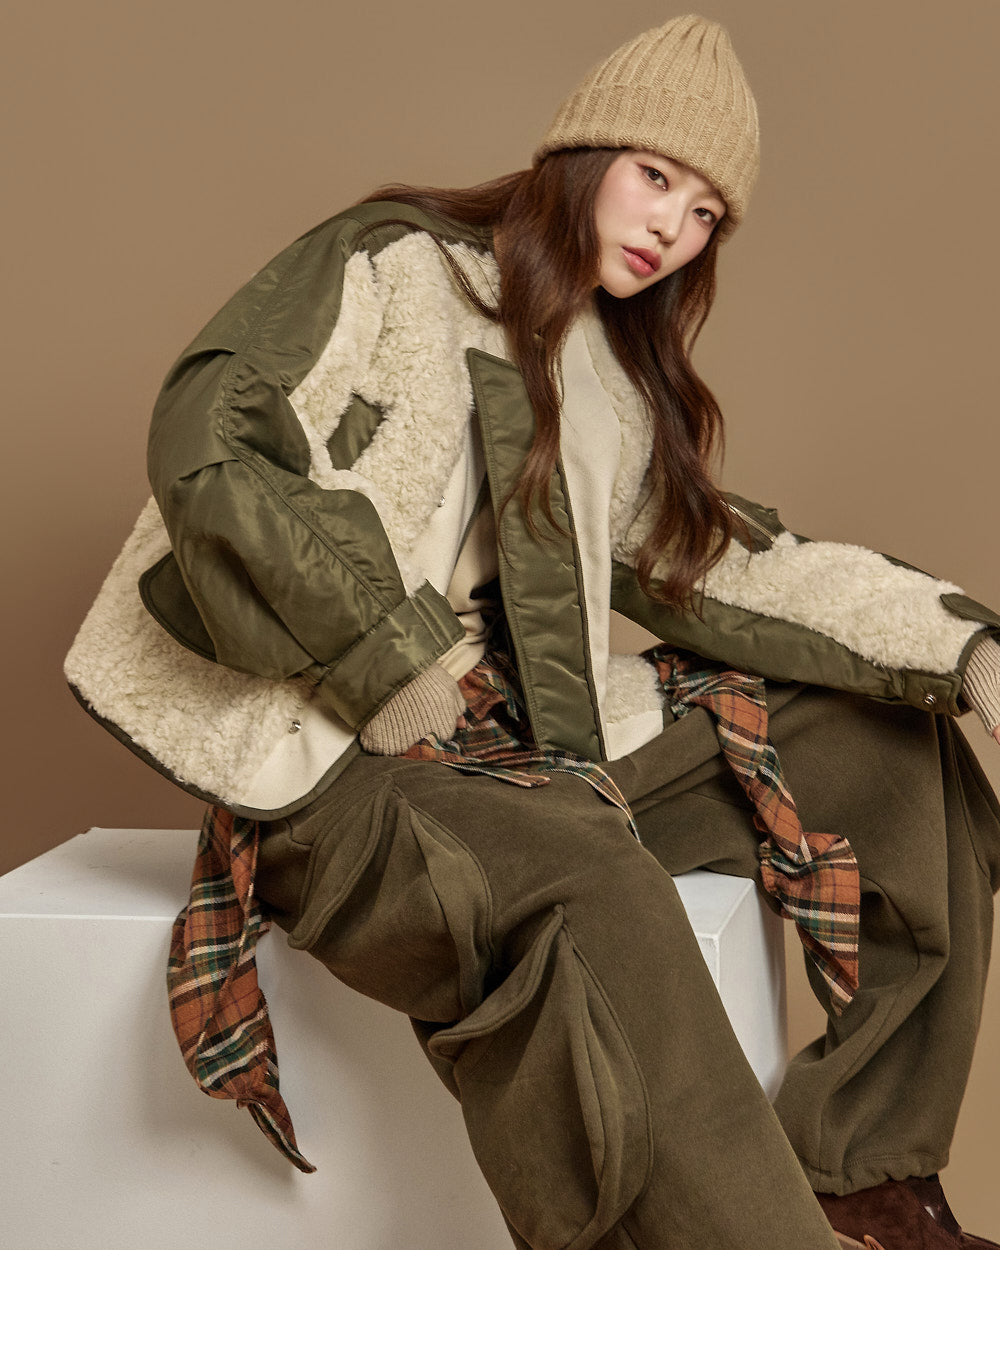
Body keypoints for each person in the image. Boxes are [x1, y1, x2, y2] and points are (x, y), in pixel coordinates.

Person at [65, 14, 1000, 1249]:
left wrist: (962, 647)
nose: (670, 227)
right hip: (336, 759)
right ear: (583, 153)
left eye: (705, 213)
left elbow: (718, 561)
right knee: (594, 885)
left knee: (890, 747)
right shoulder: (392, 265)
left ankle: (864, 1173)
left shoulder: (605, 372)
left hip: (520, 734)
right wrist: (381, 654)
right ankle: (768, 1292)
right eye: (653, 175)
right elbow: (214, 442)